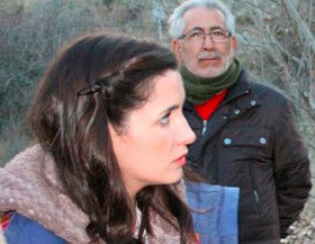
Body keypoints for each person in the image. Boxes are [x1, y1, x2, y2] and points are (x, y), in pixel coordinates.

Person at [0, 33, 198, 243]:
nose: (189, 135)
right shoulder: (27, 236)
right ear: (98, 128)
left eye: (182, 112)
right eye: (165, 118)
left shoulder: (177, 212)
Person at [168, 0, 312, 243]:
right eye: (196, 35)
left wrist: (266, 232)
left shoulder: (271, 106)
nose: (208, 44)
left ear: (232, 43)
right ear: (177, 48)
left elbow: (295, 181)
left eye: (218, 33)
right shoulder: (160, 109)